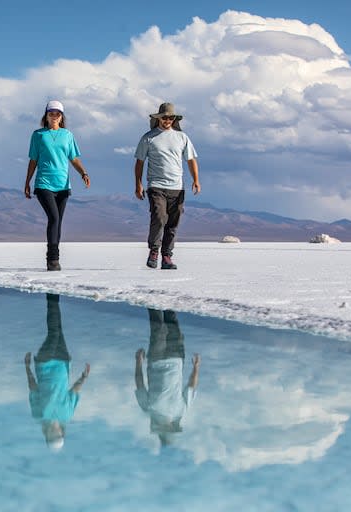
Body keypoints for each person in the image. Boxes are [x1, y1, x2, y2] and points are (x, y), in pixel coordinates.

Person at [25, 100, 91, 271]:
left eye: (58, 113)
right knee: (53, 218)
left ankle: (54, 258)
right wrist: (27, 182)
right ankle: (52, 259)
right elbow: (33, 160)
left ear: (62, 117)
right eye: (51, 113)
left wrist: (83, 172)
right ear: (46, 115)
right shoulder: (38, 135)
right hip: (44, 183)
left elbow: (73, 158)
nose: (54, 116)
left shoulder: (67, 135)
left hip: (63, 185)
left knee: (58, 222)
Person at [134, 102, 201, 270]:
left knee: (173, 223)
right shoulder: (148, 137)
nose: (167, 120)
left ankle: (166, 256)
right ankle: (154, 251)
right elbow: (139, 162)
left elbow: (191, 160)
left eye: (170, 117)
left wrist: (196, 180)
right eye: (164, 117)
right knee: (158, 217)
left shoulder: (182, 137)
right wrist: (138, 184)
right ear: (158, 118)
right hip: (156, 185)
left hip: (177, 187)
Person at [24, 293, 90, 451]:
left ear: (46, 435)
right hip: (63, 361)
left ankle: (52, 295)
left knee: (54, 331)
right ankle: (53, 295)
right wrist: (83, 377)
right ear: (62, 433)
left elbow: (33, 389)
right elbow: (73, 392)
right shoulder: (67, 416)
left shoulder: (39, 415)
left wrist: (27, 368)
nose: (55, 433)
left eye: (52, 437)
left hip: (44, 363)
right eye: (58, 436)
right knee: (57, 329)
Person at [134, 308, 200, 447]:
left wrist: (138, 362)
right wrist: (196, 367)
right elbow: (191, 387)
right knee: (172, 321)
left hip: (156, 359)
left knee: (157, 325)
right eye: (173, 430)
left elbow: (140, 384)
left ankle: (150, 293)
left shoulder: (148, 409)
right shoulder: (181, 410)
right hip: (177, 358)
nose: (170, 428)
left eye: (169, 431)